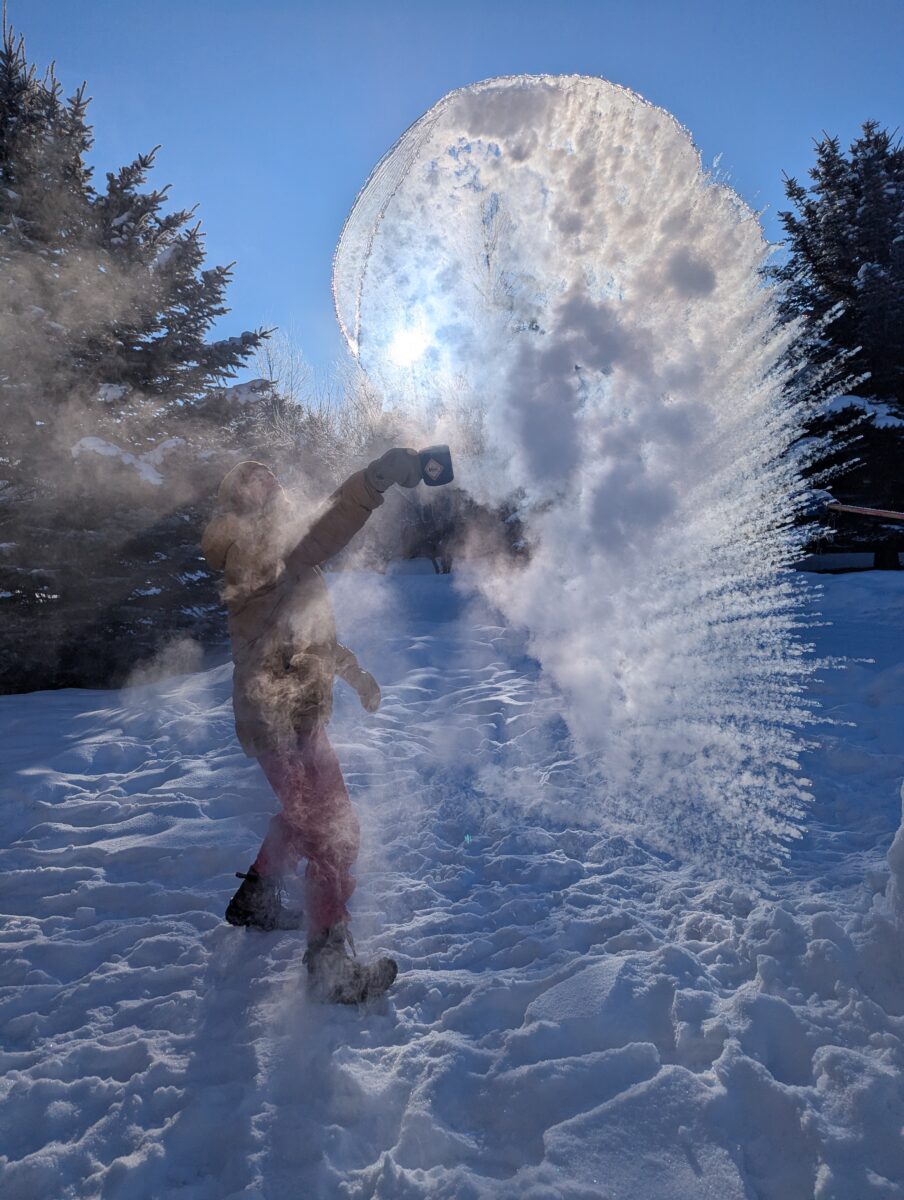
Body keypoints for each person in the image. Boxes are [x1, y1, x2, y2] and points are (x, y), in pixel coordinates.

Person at [200, 448, 422, 1003]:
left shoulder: (288, 557)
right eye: (253, 483)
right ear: (236, 502)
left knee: (307, 819)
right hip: (274, 719)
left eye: (271, 479)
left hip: (298, 717)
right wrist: (372, 480)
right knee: (330, 831)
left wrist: (357, 676)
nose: (268, 486)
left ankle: (255, 899)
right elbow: (326, 529)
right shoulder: (250, 553)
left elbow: (314, 639)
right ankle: (328, 963)